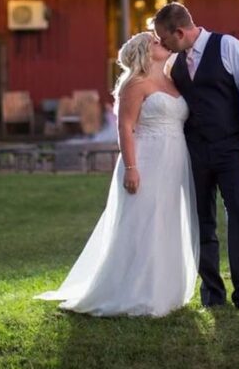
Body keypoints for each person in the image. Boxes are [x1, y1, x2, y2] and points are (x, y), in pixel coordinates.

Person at [34, 32, 199, 316]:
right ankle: (136, 291)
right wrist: (132, 169)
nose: (163, 43)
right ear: (145, 53)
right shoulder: (134, 84)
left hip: (175, 159)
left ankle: (165, 290)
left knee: (168, 219)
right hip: (146, 159)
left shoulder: (172, 80)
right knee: (144, 222)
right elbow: (125, 127)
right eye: (155, 42)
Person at [152, 2, 239, 310]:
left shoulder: (228, 47)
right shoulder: (173, 63)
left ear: (179, 31)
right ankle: (212, 295)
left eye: (164, 39)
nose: (161, 45)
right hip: (195, 152)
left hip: (233, 149)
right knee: (202, 222)